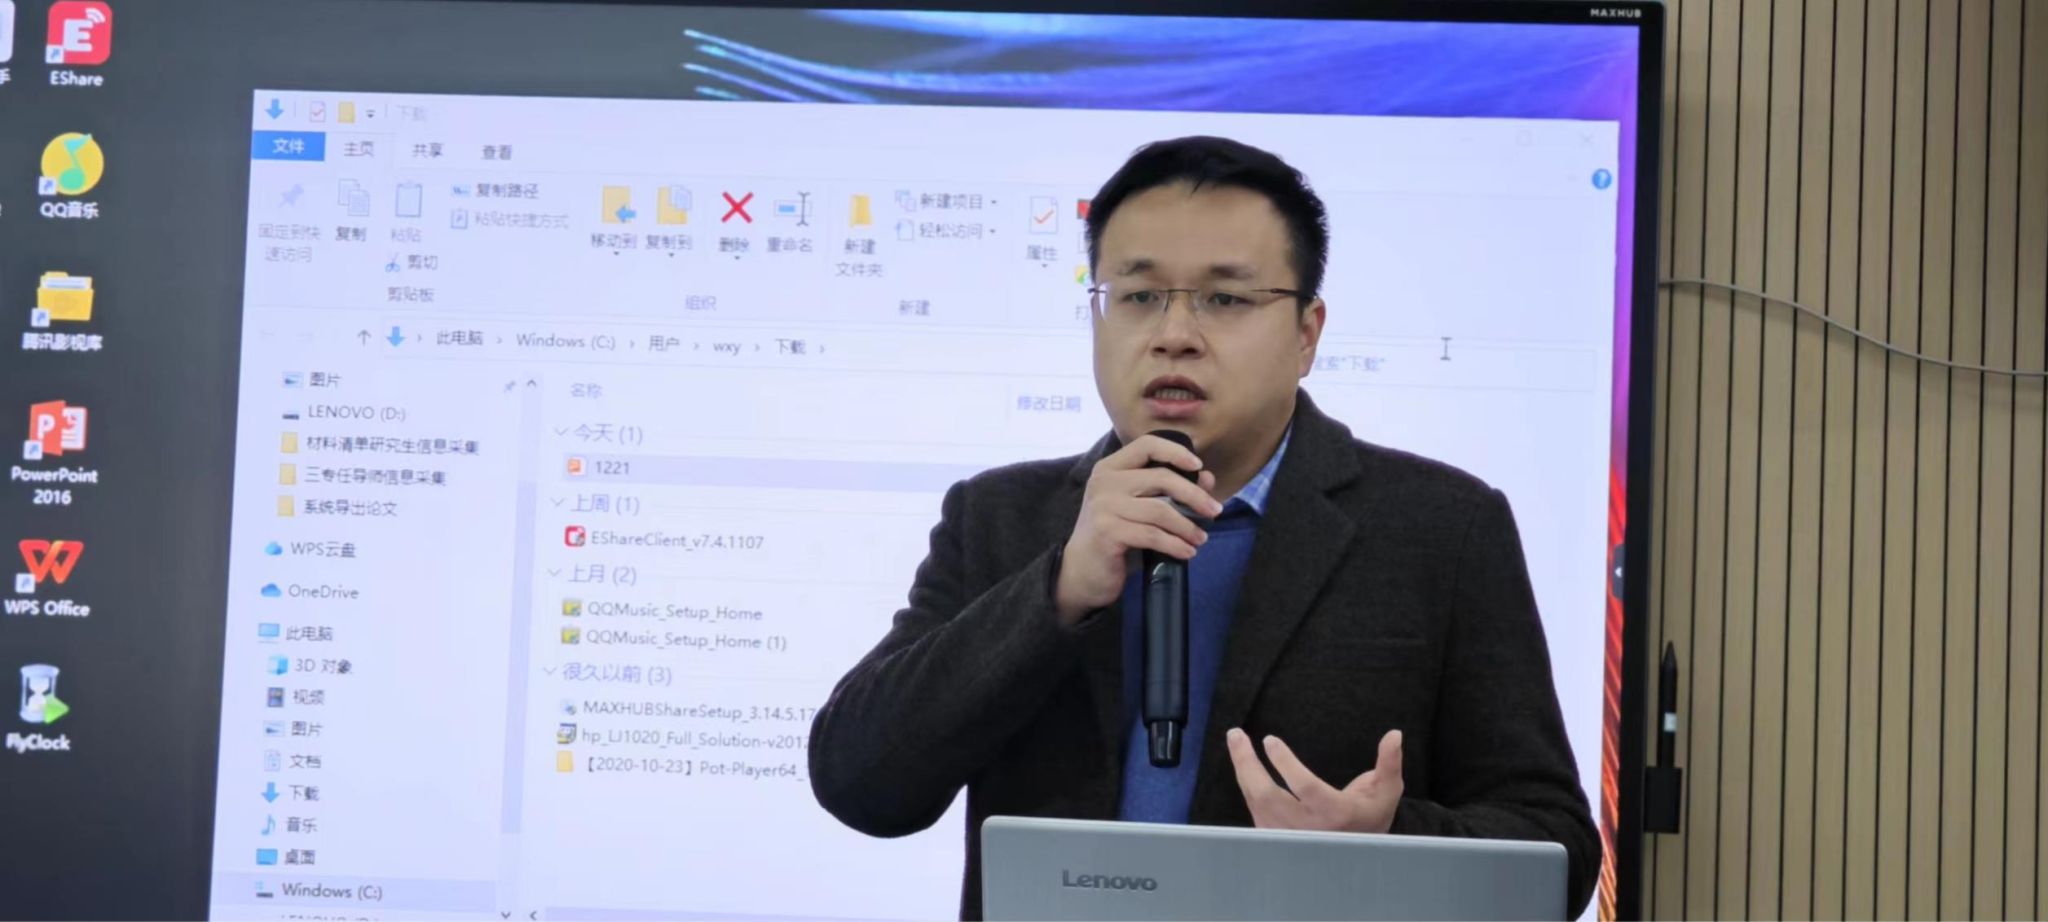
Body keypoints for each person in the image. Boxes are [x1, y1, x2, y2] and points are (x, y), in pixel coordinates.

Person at [808, 136, 1597, 919]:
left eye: (1225, 299)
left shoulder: (1442, 527)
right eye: (1138, 296)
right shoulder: (1000, 518)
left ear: (1307, 333)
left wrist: (1387, 841)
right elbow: (861, 784)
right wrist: (1058, 591)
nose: (1174, 334)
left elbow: (1555, 850)